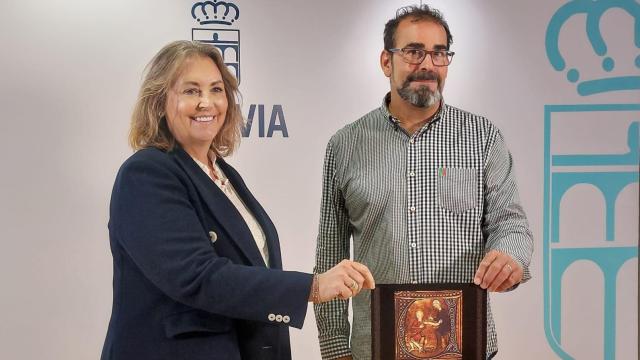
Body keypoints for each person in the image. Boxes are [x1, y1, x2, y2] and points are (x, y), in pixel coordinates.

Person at [100, 40, 375, 360]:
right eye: (191, 91)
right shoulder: (146, 173)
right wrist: (311, 287)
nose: (207, 102)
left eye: (216, 90)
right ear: (160, 102)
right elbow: (198, 276)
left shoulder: (223, 174)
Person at [313, 4, 533, 360]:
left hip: (466, 345)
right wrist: (336, 348)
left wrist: (510, 255)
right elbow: (330, 256)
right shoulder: (345, 145)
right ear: (387, 61)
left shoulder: (482, 137)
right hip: (377, 348)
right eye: (414, 52)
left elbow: (511, 222)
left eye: (439, 53)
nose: (428, 65)